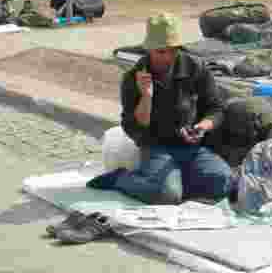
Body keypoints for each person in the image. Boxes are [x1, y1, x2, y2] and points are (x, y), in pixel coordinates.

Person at [86, 13, 232, 204]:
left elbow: (216, 108)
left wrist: (202, 127)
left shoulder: (195, 68)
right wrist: (146, 95)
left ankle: (174, 178)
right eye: (161, 52)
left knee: (224, 182)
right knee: (167, 195)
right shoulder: (133, 77)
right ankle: (120, 179)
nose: (168, 57)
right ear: (149, 49)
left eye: (173, 50)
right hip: (156, 148)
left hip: (191, 147)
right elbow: (134, 126)